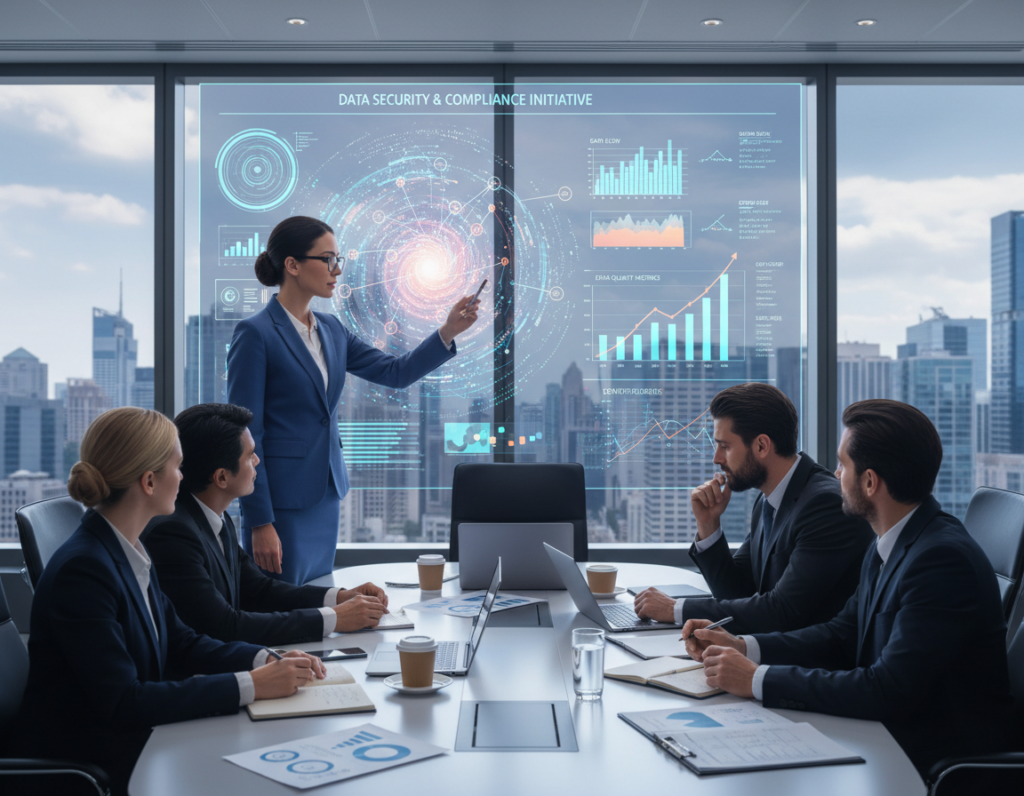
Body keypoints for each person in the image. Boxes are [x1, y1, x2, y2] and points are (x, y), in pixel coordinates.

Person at [683, 399, 1016, 787]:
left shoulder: (940, 559)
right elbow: (840, 634)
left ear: (870, 482)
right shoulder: (892, 542)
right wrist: (745, 647)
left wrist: (757, 678)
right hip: (885, 736)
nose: (835, 473)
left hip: (929, 760)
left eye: (843, 464)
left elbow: (885, 689)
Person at [8, 408, 325, 796]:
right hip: (93, 760)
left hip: (139, 740)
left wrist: (265, 659)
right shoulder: (84, 570)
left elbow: (183, 640)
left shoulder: (128, 548)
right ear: (149, 482)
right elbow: (125, 701)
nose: (183, 476)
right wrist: (251, 685)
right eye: (177, 467)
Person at [227, 215, 479, 584]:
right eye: (328, 259)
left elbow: (396, 372)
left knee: (318, 597)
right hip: (281, 502)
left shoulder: (332, 329)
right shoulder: (256, 333)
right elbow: (247, 433)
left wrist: (448, 330)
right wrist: (259, 520)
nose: (337, 270)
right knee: (281, 608)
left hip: (325, 493)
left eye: (338, 259)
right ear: (293, 265)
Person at [144, 402, 391, 646]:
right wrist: (334, 619)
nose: (258, 461)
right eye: (250, 455)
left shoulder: (214, 516)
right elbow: (223, 626)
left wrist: (339, 597)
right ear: (221, 477)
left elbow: (258, 590)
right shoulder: (173, 534)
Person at [634, 383, 873, 634]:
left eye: (725, 446)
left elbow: (781, 611)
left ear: (761, 446)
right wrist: (708, 524)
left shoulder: (825, 505)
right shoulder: (767, 501)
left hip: (810, 664)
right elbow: (737, 594)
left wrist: (675, 609)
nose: (716, 458)